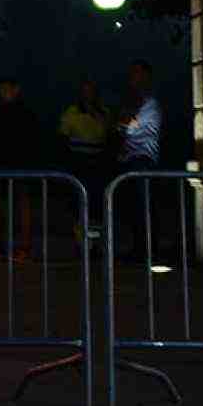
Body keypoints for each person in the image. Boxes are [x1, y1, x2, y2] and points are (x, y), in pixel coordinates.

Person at [0, 77, 41, 263]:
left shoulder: (24, 111)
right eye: (2, 89)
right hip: (1, 163)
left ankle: (24, 247)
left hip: (21, 164)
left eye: (8, 88)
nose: (4, 92)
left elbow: (30, 139)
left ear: (16, 89)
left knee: (22, 203)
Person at [113, 59, 163, 263]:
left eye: (137, 74)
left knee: (144, 206)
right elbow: (122, 126)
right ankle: (140, 248)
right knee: (136, 207)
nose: (133, 78)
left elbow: (128, 127)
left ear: (146, 77)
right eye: (132, 73)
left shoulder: (150, 103)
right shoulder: (136, 102)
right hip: (132, 160)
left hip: (143, 161)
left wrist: (125, 123)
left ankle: (147, 250)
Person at [58, 78, 111, 244]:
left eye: (91, 91)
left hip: (98, 163)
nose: (88, 94)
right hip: (79, 162)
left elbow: (109, 136)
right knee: (79, 203)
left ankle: (95, 243)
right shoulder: (71, 112)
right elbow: (62, 138)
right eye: (85, 91)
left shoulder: (104, 112)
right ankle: (82, 243)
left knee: (96, 204)